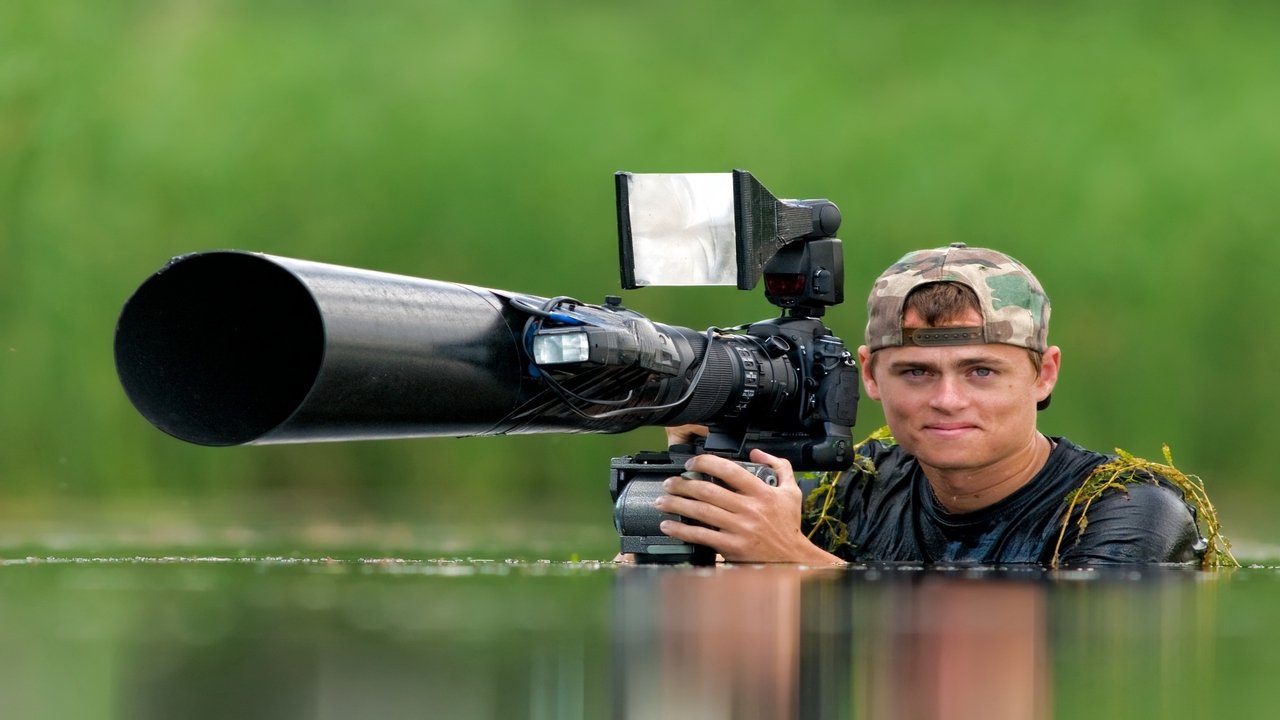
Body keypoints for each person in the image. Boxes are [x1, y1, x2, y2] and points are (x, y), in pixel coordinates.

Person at [650, 243, 1205, 565]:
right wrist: (698, 494)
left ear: (1044, 374)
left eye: (981, 371)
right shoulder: (857, 493)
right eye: (916, 372)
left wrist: (794, 560)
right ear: (871, 375)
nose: (947, 400)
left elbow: (1071, 629)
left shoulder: (1128, 509)